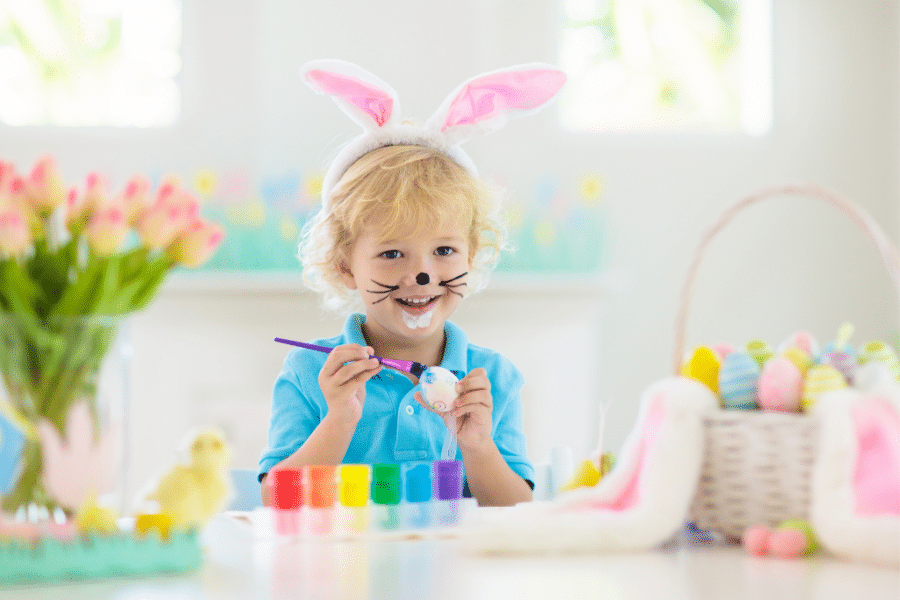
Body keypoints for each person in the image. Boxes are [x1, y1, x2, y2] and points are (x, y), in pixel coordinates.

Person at [258, 60, 565, 507]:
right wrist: (339, 420)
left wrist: (477, 445)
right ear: (345, 266)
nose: (421, 274)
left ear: (472, 254)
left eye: (443, 251)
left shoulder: (493, 380)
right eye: (391, 254)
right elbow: (274, 502)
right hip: (342, 574)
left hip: (455, 576)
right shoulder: (309, 375)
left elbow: (515, 512)